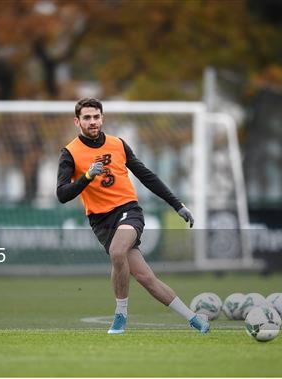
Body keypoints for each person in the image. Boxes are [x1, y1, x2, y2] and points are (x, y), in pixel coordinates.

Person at [56, 98, 209, 334]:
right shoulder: (70, 152)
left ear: (102, 118)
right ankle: (193, 318)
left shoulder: (118, 144)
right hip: (101, 220)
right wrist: (86, 176)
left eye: (96, 116)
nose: (93, 121)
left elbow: (146, 176)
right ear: (77, 121)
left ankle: (120, 315)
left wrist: (177, 205)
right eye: (87, 117)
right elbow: (62, 194)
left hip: (128, 210)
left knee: (118, 252)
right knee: (145, 277)